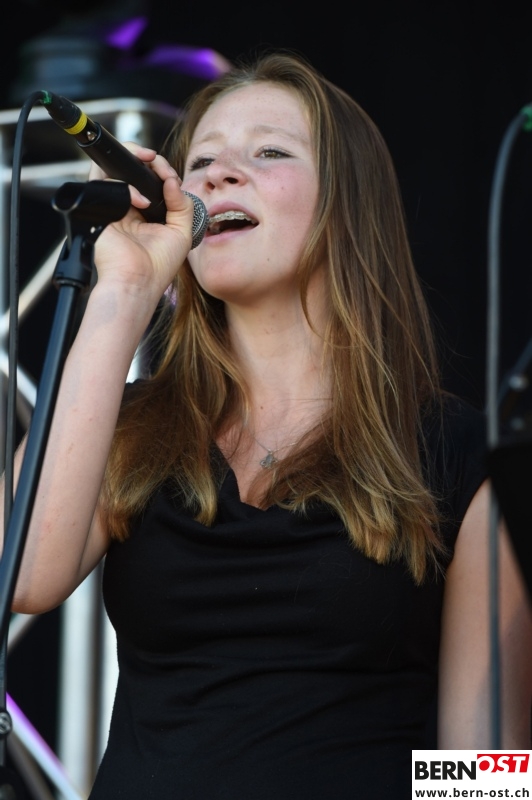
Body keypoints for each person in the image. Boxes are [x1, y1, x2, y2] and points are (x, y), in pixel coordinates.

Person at [2, 50, 531, 799]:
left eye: (269, 153)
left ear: (348, 203)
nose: (219, 175)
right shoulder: (136, 427)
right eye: (202, 161)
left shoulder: (456, 455)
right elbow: (21, 577)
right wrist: (124, 290)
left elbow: (484, 759)